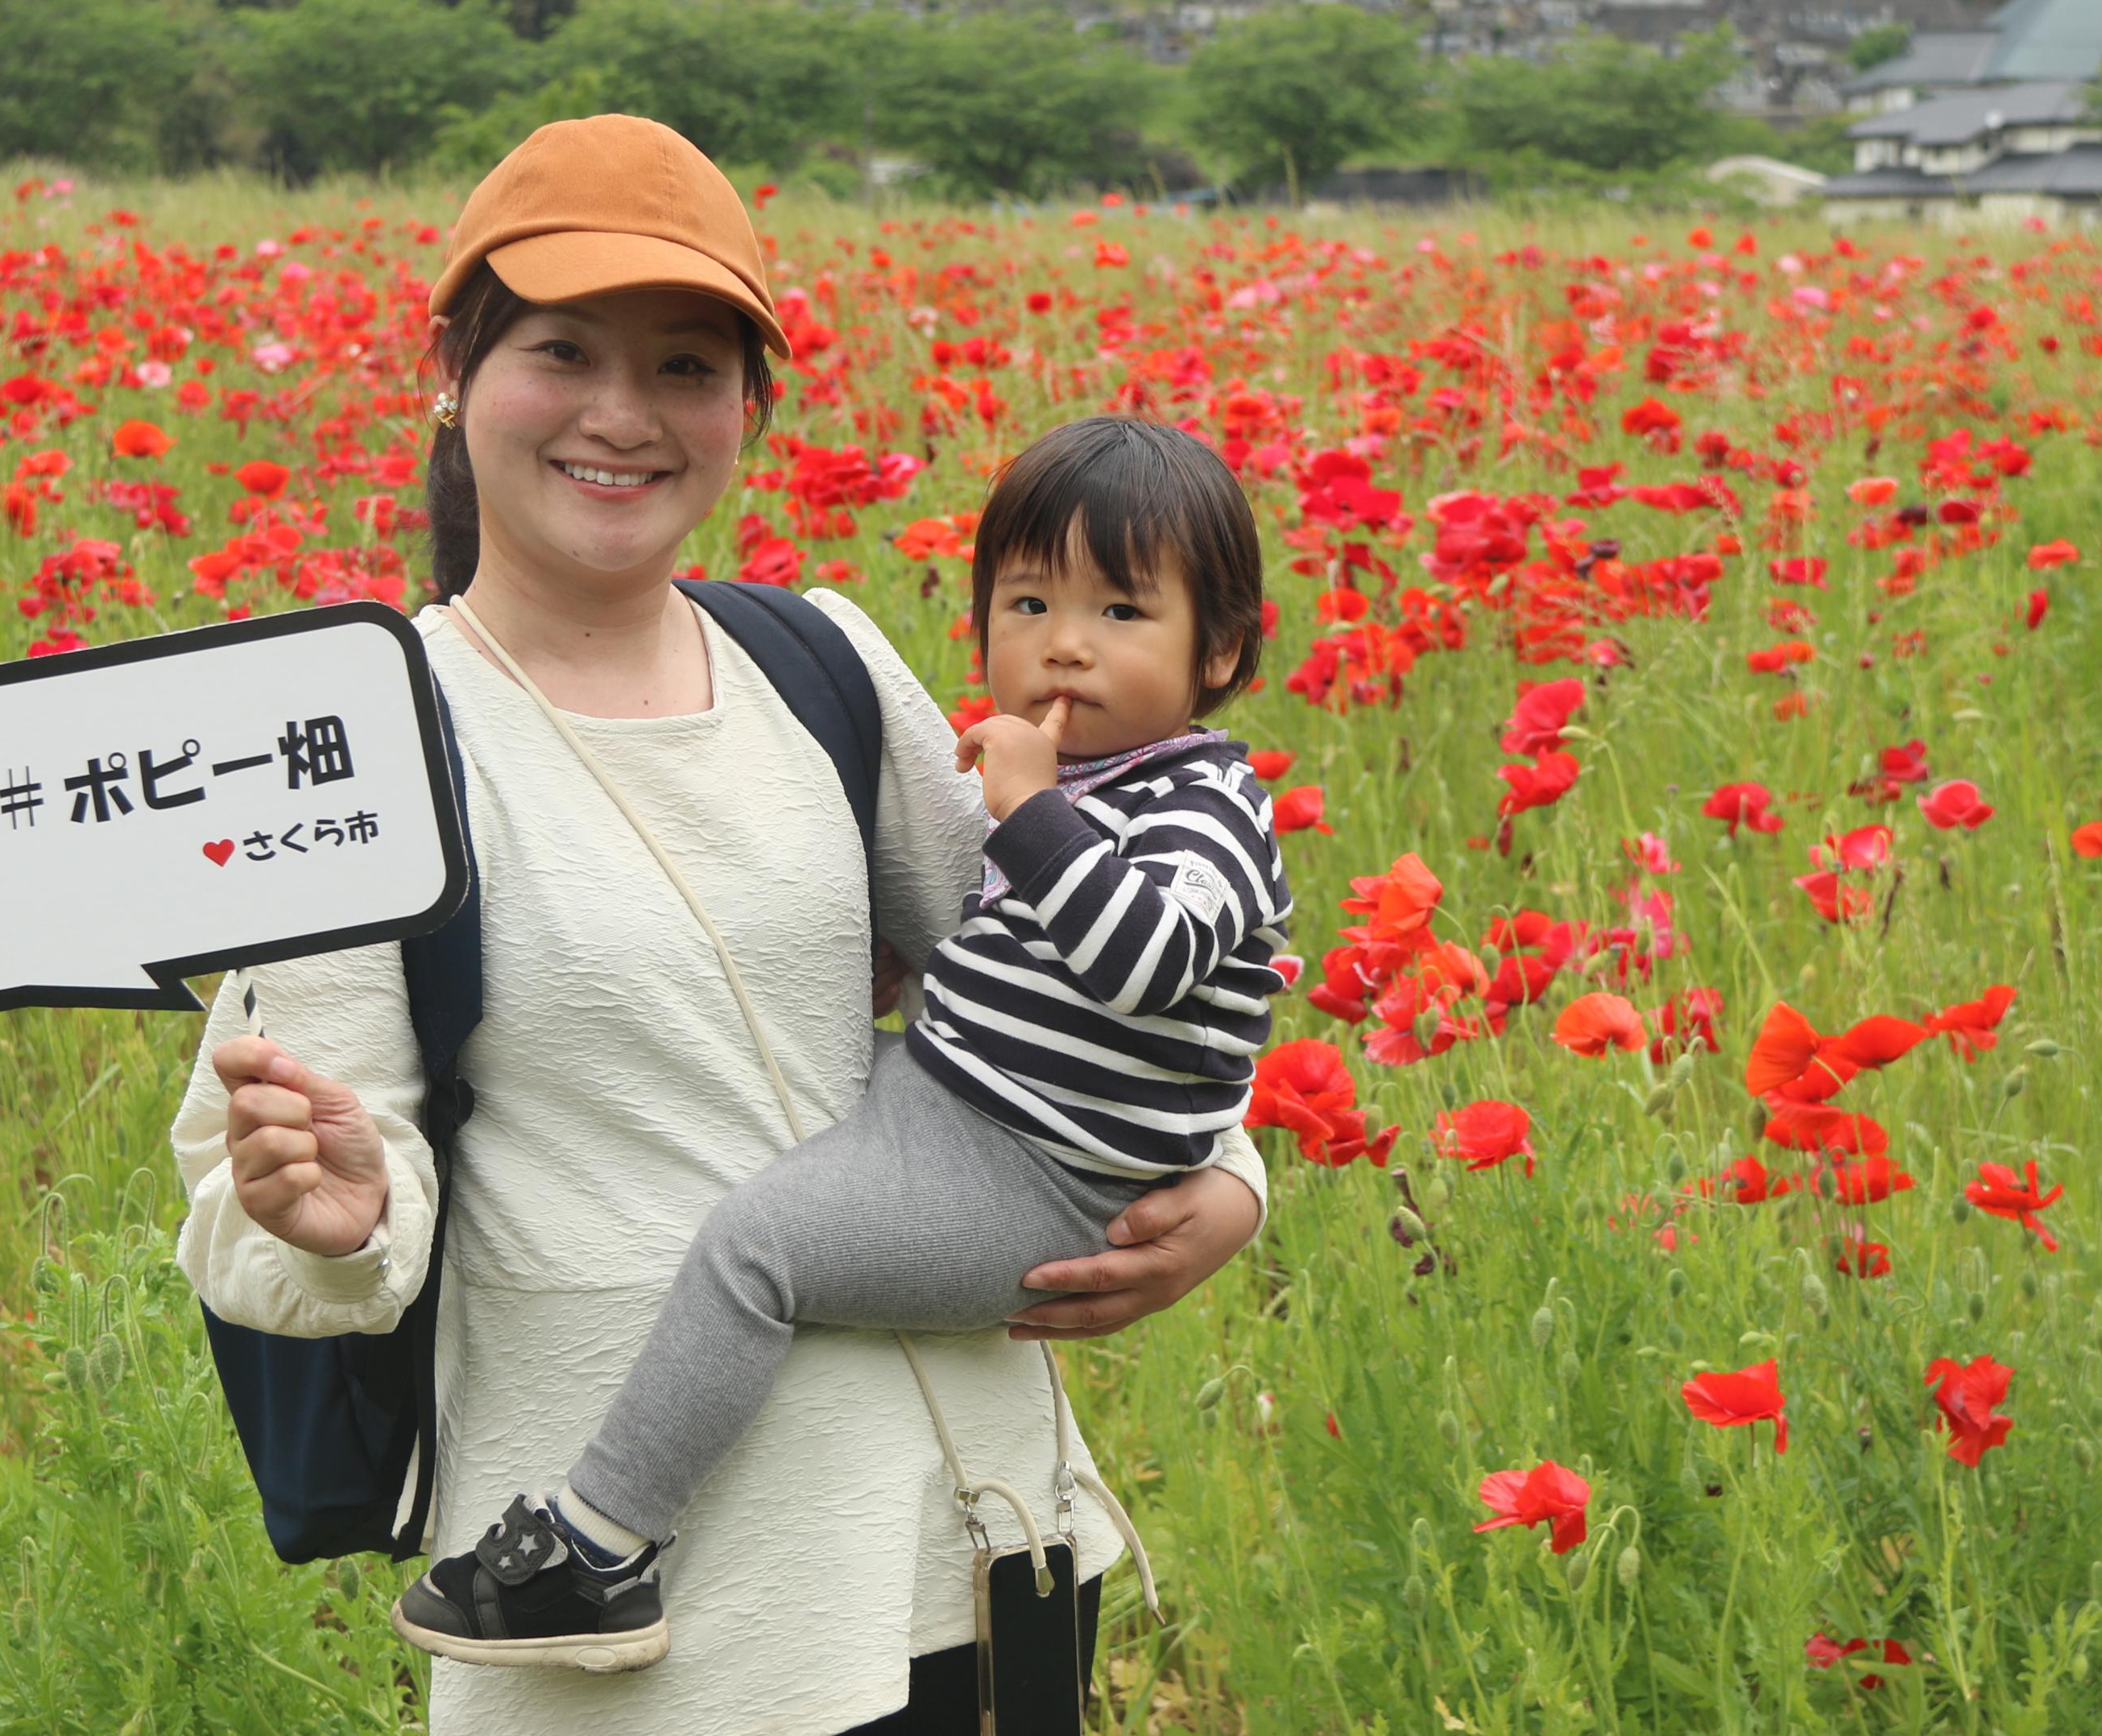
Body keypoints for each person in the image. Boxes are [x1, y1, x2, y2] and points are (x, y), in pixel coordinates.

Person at [168, 114, 1270, 1736]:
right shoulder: (363, 739)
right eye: (561, 352)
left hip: (975, 1547)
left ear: (747, 405)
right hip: (653, 1641)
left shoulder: (814, 665)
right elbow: (286, 1205)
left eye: (687, 366)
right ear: (451, 368)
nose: (623, 414)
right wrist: (329, 1211)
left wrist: (1231, 1177)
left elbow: (1080, 968)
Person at [388, 415, 1293, 1673]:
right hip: (955, 1101)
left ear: (1223, 650)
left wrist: (1025, 813)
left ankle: (599, 1550)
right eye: (1027, 603)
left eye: (1122, 613)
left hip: (1035, 1177)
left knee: (757, 1251)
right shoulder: (1088, 785)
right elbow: (1016, 962)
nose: (1064, 646)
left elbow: (1141, 962)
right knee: (729, 1057)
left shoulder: (1205, 806)